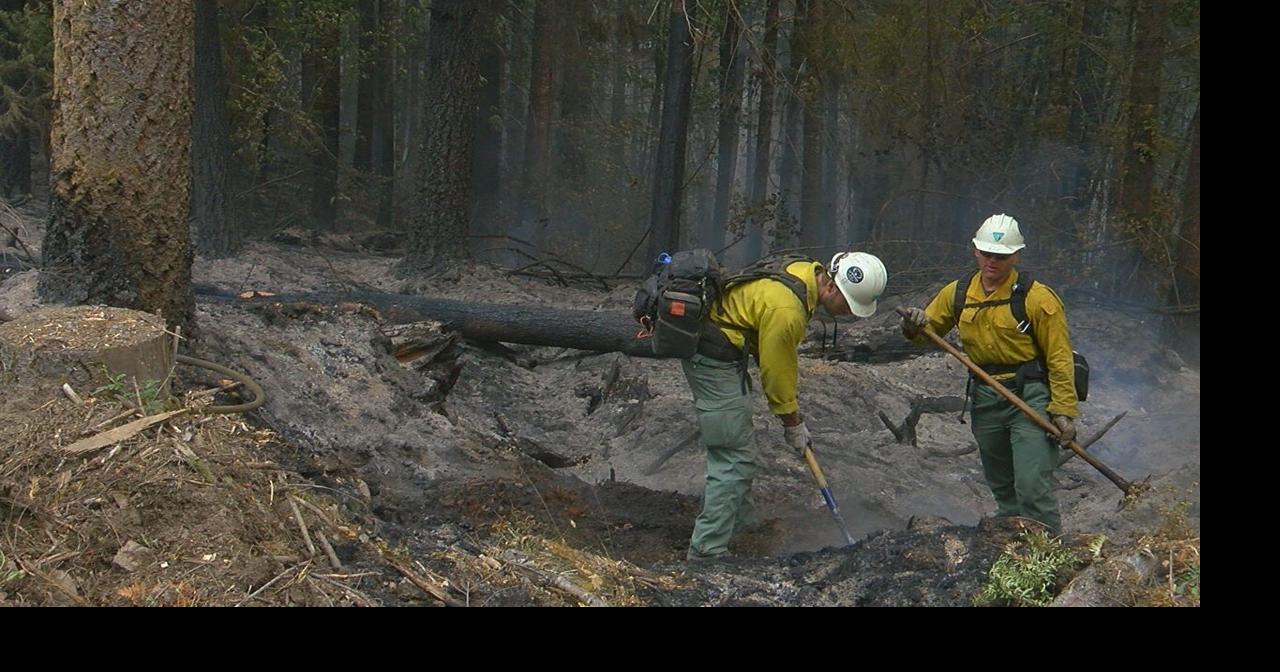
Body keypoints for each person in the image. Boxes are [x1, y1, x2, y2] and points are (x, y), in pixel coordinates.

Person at [683, 251, 886, 561]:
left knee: (738, 445)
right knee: (734, 457)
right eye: (848, 306)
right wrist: (793, 423)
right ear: (831, 287)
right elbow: (777, 374)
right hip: (712, 356)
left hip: (724, 346)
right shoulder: (787, 309)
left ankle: (742, 526)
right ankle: (707, 549)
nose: (848, 314)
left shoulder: (804, 271)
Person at [900, 214, 1077, 533]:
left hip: (1030, 394)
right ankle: (1011, 546)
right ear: (975, 251)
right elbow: (927, 331)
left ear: (1016, 256)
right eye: (987, 253)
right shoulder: (958, 293)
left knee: (1031, 484)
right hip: (986, 394)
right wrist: (913, 324)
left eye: (1002, 256)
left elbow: (1060, 358)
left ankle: (1050, 553)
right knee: (1002, 483)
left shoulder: (1037, 297)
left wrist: (1063, 411)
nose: (993, 261)